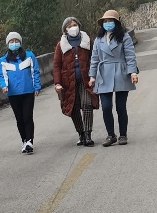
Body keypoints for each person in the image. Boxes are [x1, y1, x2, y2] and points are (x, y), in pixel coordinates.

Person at [89, 10, 139, 146]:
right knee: (106, 107)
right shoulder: (99, 39)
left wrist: (133, 72)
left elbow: (130, 55)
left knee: (120, 106)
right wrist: (92, 76)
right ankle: (111, 135)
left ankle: (123, 134)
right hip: (103, 74)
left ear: (116, 22)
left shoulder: (124, 37)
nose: (107, 23)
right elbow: (94, 58)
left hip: (121, 72)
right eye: (105, 21)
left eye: (110, 21)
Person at [0, 31, 42, 154]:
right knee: (19, 119)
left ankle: (30, 141)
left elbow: (35, 72)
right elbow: (2, 76)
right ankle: (24, 140)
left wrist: (37, 87)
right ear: (8, 44)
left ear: (20, 42)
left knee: (27, 117)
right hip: (13, 94)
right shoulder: (3, 60)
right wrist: (4, 86)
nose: (14, 43)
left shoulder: (29, 56)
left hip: (28, 91)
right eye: (11, 41)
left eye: (16, 41)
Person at [54, 17, 95, 147]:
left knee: (87, 104)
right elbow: (57, 65)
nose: (73, 28)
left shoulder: (87, 41)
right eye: (69, 26)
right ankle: (81, 133)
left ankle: (88, 134)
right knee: (74, 108)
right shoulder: (61, 45)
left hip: (85, 79)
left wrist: (94, 75)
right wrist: (57, 83)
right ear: (65, 30)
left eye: (75, 25)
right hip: (68, 82)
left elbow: (94, 58)